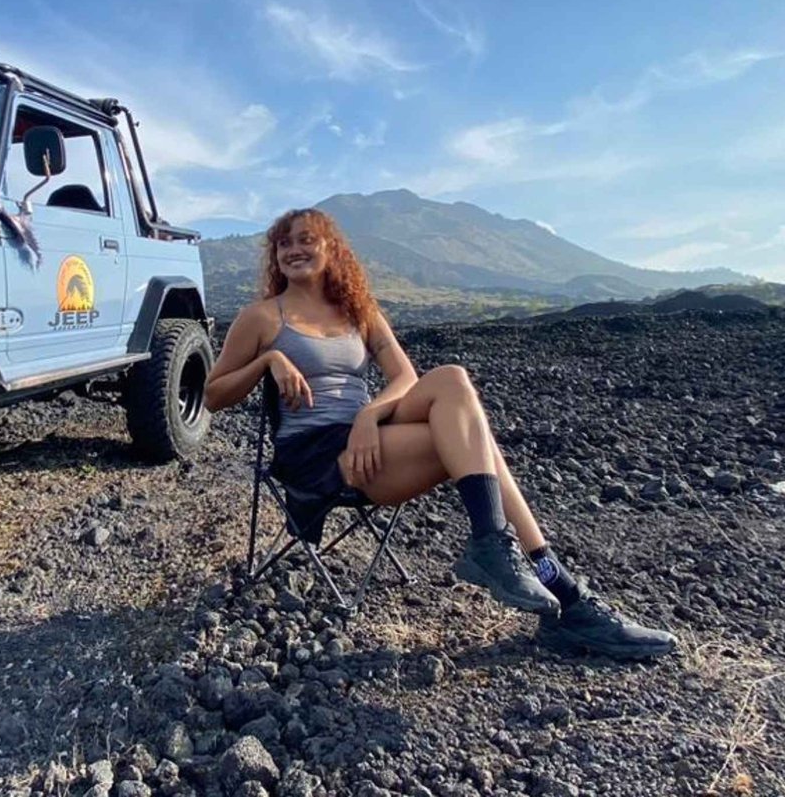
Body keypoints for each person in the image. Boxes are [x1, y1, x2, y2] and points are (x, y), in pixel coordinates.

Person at [203, 207, 676, 660]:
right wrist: (269, 360)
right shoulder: (262, 317)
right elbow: (212, 394)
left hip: (368, 433)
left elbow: (405, 377)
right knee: (476, 446)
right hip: (318, 455)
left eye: (307, 239)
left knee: (451, 379)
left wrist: (369, 416)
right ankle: (564, 594)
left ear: (332, 249)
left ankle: (502, 550)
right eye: (284, 243)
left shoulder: (358, 312)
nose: (293, 250)